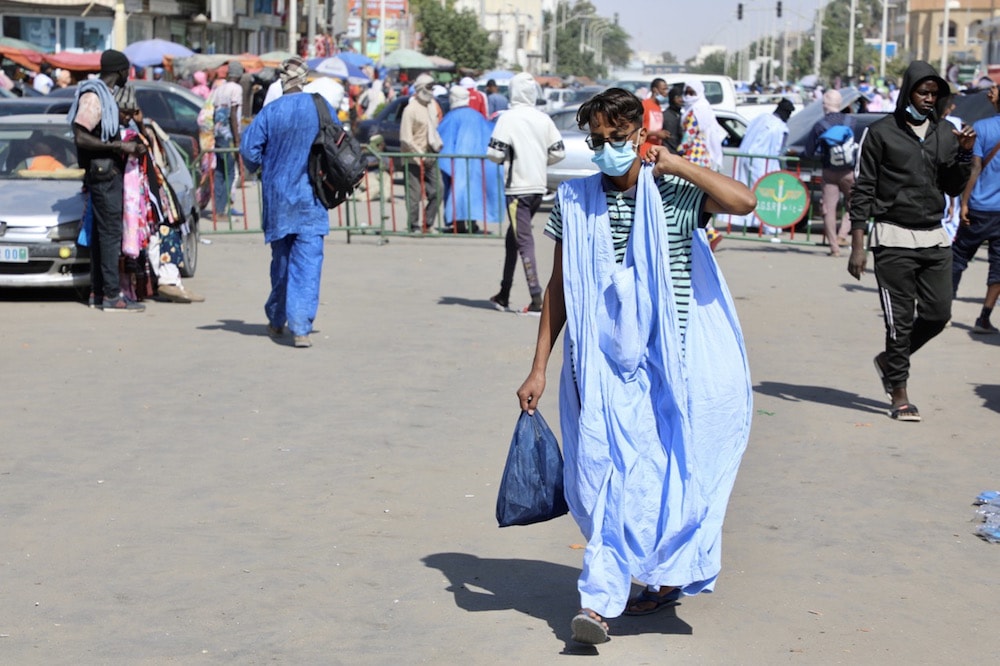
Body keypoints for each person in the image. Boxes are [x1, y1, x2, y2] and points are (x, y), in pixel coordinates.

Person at [515, 87, 756, 644]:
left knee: (662, 473)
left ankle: (656, 575)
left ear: (639, 133)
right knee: (601, 471)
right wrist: (539, 368)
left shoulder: (672, 193)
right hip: (597, 367)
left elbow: (744, 203)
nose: (604, 150)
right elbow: (560, 289)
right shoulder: (574, 202)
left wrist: (675, 163)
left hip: (670, 365)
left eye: (615, 138)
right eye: (595, 140)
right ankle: (599, 602)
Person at [849, 60, 975, 422]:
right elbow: (863, 190)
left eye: (935, 94)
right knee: (899, 322)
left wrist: (964, 153)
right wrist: (858, 246)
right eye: (923, 92)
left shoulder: (944, 134)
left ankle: (889, 361)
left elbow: (951, 187)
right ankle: (899, 392)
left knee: (938, 314)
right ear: (908, 91)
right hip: (892, 238)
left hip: (934, 239)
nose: (929, 99)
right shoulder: (881, 132)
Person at [240, 56, 334, 349]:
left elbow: (249, 151)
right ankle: (301, 327)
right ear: (304, 79)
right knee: (308, 263)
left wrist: (266, 166)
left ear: (282, 80)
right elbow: (338, 142)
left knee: (281, 262)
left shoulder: (271, 112)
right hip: (312, 198)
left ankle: (277, 319)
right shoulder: (321, 107)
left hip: (279, 199)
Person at [69, 49, 147, 312]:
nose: (128, 75)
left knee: (104, 235)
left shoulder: (106, 95)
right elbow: (80, 136)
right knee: (109, 234)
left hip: (107, 171)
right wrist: (118, 147)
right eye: (127, 71)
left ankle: (98, 293)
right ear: (120, 71)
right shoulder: (94, 96)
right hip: (103, 173)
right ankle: (112, 296)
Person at [486, 72, 565, 314]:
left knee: (524, 241)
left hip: (517, 189)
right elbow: (559, 152)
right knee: (514, 238)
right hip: (538, 187)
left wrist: (513, 158)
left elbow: (494, 154)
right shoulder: (544, 119)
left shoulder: (508, 119)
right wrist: (538, 161)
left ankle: (536, 297)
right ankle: (504, 292)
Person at [953, 83, 1000, 334]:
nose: (990, 91)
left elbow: (975, 169)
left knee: (959, 256)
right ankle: (984, 317)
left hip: (980, 207)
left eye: (995, 89)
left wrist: (963, 203)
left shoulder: (982, 127)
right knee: (999, 265)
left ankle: (945, 309)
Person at [437, 85, 503, 234]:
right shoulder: (477, 116)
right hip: (477, 162)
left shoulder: (451, 117)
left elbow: (442, 140)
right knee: (474, 191)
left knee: (456, 192)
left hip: (456, 162)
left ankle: (457, 224)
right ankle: (472, 223)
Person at [806, 89, 857, 256]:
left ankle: (834, 248)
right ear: (840, 104)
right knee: (854, 204)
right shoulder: (851, 122)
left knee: (829, 209)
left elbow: (809, 151)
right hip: (849, 171)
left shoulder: (820, 125)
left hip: (829, 171)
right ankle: (843, 234)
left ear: (824, 105)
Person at [731, 98, 794, 230]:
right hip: (762, 163)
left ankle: (747, 223)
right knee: (765, 194)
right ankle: (770, 227)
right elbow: (780, 151)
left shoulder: (761, 117)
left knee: (745, 191)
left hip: (745, 158)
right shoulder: (781, 127)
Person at [399, 73, 443, 233]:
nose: (431, 90)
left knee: (438, 190)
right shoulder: (410, 110)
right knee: (414, 194)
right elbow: (405, 138)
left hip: (430, 154)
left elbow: (434, 129)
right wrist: (419, 155)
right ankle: (414, 225)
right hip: (413, 158)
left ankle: (428, 223)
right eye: (429, 87)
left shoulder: (432, 106)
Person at [207, 61, 244, 216]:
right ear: (239, 74)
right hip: (228, 135)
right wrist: (237, 139)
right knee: (230, 173)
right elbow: (234, 115)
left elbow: (215, 113)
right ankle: (221, 211)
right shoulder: (236, 89)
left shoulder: (219, 88)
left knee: (220, 173)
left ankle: (217, 209)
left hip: (218, 134)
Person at [638, 77, 669, 159]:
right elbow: (638, 129)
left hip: (654, 150)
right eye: (664, 89)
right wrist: (657, 134)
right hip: (644, 150)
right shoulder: (645, 105)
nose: (666, 92)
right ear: (655, 90)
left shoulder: (658, 106)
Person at [662, 83, 685, 155]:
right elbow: (671, 139)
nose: (681, 100)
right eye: (679, 97)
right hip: (671, 154)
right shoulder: (667, 116)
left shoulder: (680, 114)